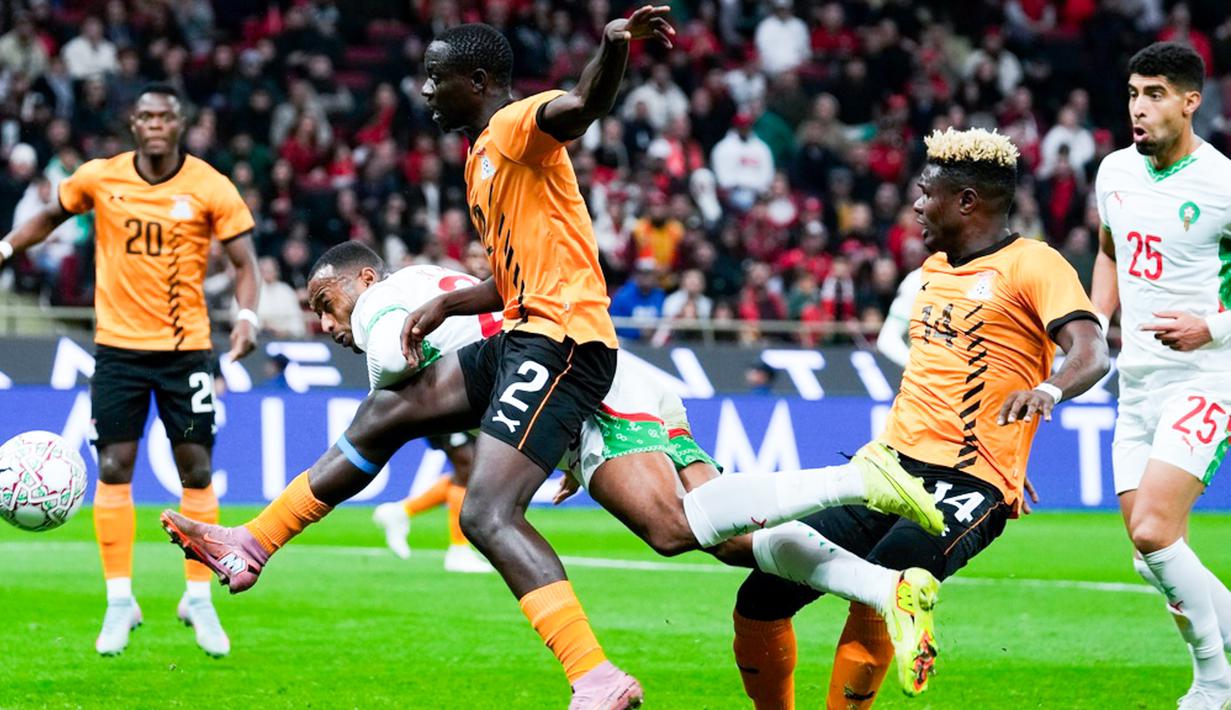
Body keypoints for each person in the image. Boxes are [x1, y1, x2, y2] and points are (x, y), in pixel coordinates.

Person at [161, 241, 947, 696]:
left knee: (666, 528)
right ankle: (886, 587)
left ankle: (859, 479)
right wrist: (549, 442)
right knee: (732, 541)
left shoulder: (380, 303)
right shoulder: (431, 279)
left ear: (361, 279)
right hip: (615, 381)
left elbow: (391, 368)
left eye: (323, 303)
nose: (323, 322)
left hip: (589, 386)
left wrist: (385, 365)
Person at [729, 127, 1109, 709]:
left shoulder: (1034, 263)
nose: (916, 204)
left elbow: (1091, 351)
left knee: (885, 588)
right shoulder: (932, 270)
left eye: (927, 192)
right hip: (888, 472)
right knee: (760, 598)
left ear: (967, 201)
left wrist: (1048, 392)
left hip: (965, 485)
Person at [0, 84, 260, 658]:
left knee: (196, 470)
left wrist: (246, 316)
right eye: (146, 116)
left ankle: (198, 597)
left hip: (186, 349)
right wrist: (5, 249)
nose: (156, 124)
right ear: (134, 125)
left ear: (181, 123)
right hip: (117, 349)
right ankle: (120, 600)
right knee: (115, 467)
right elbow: (49, 216)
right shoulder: (100, 177)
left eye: (166, 116)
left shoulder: (210, 185)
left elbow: (245, 262)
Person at [1090, 42, 1231, 710]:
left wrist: (1214, 326)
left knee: (1152, 530)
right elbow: (1108, 252)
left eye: (1153, 95)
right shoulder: (1114, 171)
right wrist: (1093, 322)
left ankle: (1213, 681)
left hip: (1207, 376)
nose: (1137, 108)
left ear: (1189, 102)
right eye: (1131, 94)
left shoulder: (1222, 184)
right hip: (1138, 382)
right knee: (1149, 555)